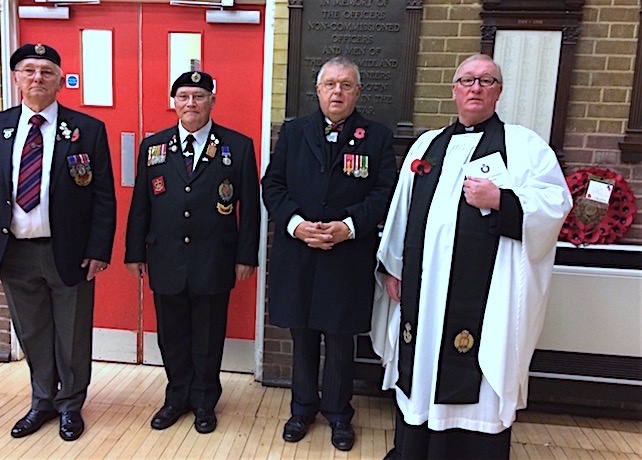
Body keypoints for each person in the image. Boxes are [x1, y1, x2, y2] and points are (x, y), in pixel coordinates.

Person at [371, 54, 573, 459]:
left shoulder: (522, 146)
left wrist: (502, 200)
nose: (475, 88)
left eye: (486, 80)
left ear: (499, 91)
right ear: (454, 91)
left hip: (484, 297)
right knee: (421, 371)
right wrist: (394, 268)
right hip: (424, 294)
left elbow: (556, 204)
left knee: (475, 374)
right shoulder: (427, 145)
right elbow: (401, 212)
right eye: (466, 80)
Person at [0, 43, 116, 442]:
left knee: (72, 334)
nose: (38, 77)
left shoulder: (87, 129)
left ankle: (70, 405)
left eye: (47, 71)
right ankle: (41, 401)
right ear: (16, 78)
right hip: (14, 251)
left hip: (66, 251)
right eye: (29, 70)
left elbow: (103, 197)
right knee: (32, 332)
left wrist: (99, 250)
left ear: (59, 80)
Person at [262, 56, 397, 452]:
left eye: (346, 85)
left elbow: (384, 193)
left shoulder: (377, 137)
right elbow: (273, 185)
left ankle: (339, 414)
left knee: (340, 337)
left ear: (357, 92)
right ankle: (302, 408)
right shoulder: (294, 132)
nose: (337, 91)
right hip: (298, 252)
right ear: (318, 90)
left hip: (347, 256)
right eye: (330, 84)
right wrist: (296, 225)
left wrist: (348, 227)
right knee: (302, 334)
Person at [125, 70, 260, 434]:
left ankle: (204, 401)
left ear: (212, 102)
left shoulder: (238, 146)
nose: (191, 103)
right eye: (183, 96)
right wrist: (134, 251)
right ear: (174, 103)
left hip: (214, 259)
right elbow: (141, 203)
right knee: (171, 335)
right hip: (166, 258)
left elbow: (249, 208)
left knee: (208, 334)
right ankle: (176, 397)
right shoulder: (153, 148)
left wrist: (247, 256)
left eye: (198, 97)